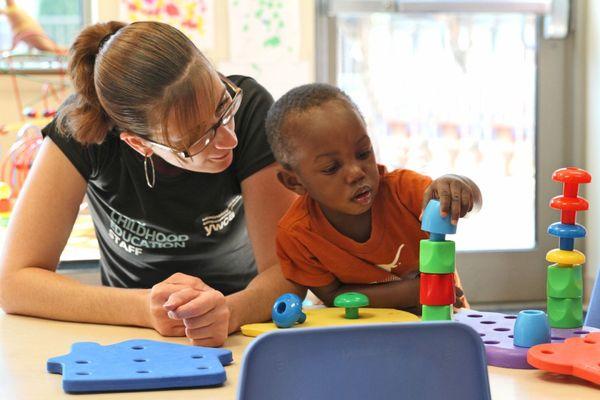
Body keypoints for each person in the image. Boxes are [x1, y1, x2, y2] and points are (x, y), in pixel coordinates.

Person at [0, 21, 304, 347]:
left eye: (222, 107)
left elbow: (289, 271)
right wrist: (145, 308)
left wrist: (229, 311)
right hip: (126, 334)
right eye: (197, 137)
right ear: (139, 144)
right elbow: (13, 283)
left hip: (240, 325)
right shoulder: (81, 128)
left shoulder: (250, 109)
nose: (228, 139)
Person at [265, 83, 482, 309]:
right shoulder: (297, 235)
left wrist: (460, 186)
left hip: (446, 326)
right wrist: (415, 292)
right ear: (295, 182)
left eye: (363, 153)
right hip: (368, 335)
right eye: (331, 167)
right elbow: (333, 297)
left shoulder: (405, 191)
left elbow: (469, 205)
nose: (356, 172)